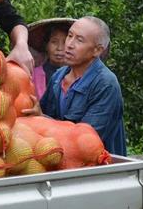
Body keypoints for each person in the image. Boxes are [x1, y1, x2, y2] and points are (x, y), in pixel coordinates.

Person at [22, 16, 127, 156]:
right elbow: (41, 121)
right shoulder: (58, 78)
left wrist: (42, 118)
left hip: (99, 170)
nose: (69, 44)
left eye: (79, 40)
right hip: (63, 164)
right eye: (70, 36)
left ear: (97, 50)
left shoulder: (105, 85)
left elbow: (86, 142)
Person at [27, 18, 74, 99]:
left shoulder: (78, 76)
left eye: (64, 42)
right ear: (46, 45)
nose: (59, 48)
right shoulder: (33, 75)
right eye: (54, 42)